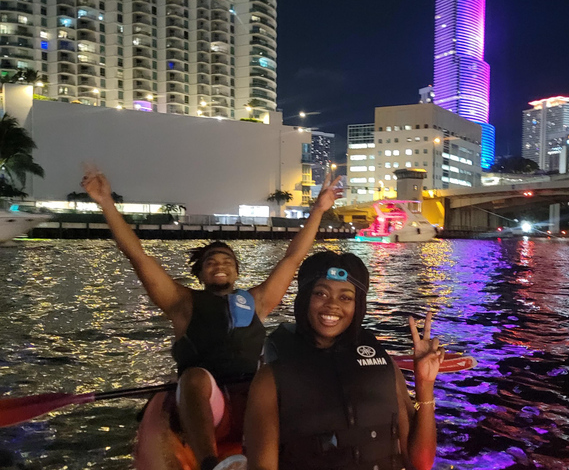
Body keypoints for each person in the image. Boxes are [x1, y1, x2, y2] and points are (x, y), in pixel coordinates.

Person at [81, 169, 342, 470]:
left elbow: (292, 258)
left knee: (292, 368)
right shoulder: (181, 303)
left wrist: (319, 209)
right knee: (194, 377)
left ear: (236, 271)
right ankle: (209, 463)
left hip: (255, 400)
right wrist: (106, 203)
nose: (220, 265)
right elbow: (137, 255)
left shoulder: (256, 301)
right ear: (201, 273)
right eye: (211, 262)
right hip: (209, 403)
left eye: (227, 261)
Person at [244, 251, 445, 470]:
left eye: (346, 297)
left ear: (357, 306)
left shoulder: (383, 366)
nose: (332, 305)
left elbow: (421, 462)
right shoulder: (271, 379)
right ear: (304, 298)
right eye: (320, 294)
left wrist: (425, 384)